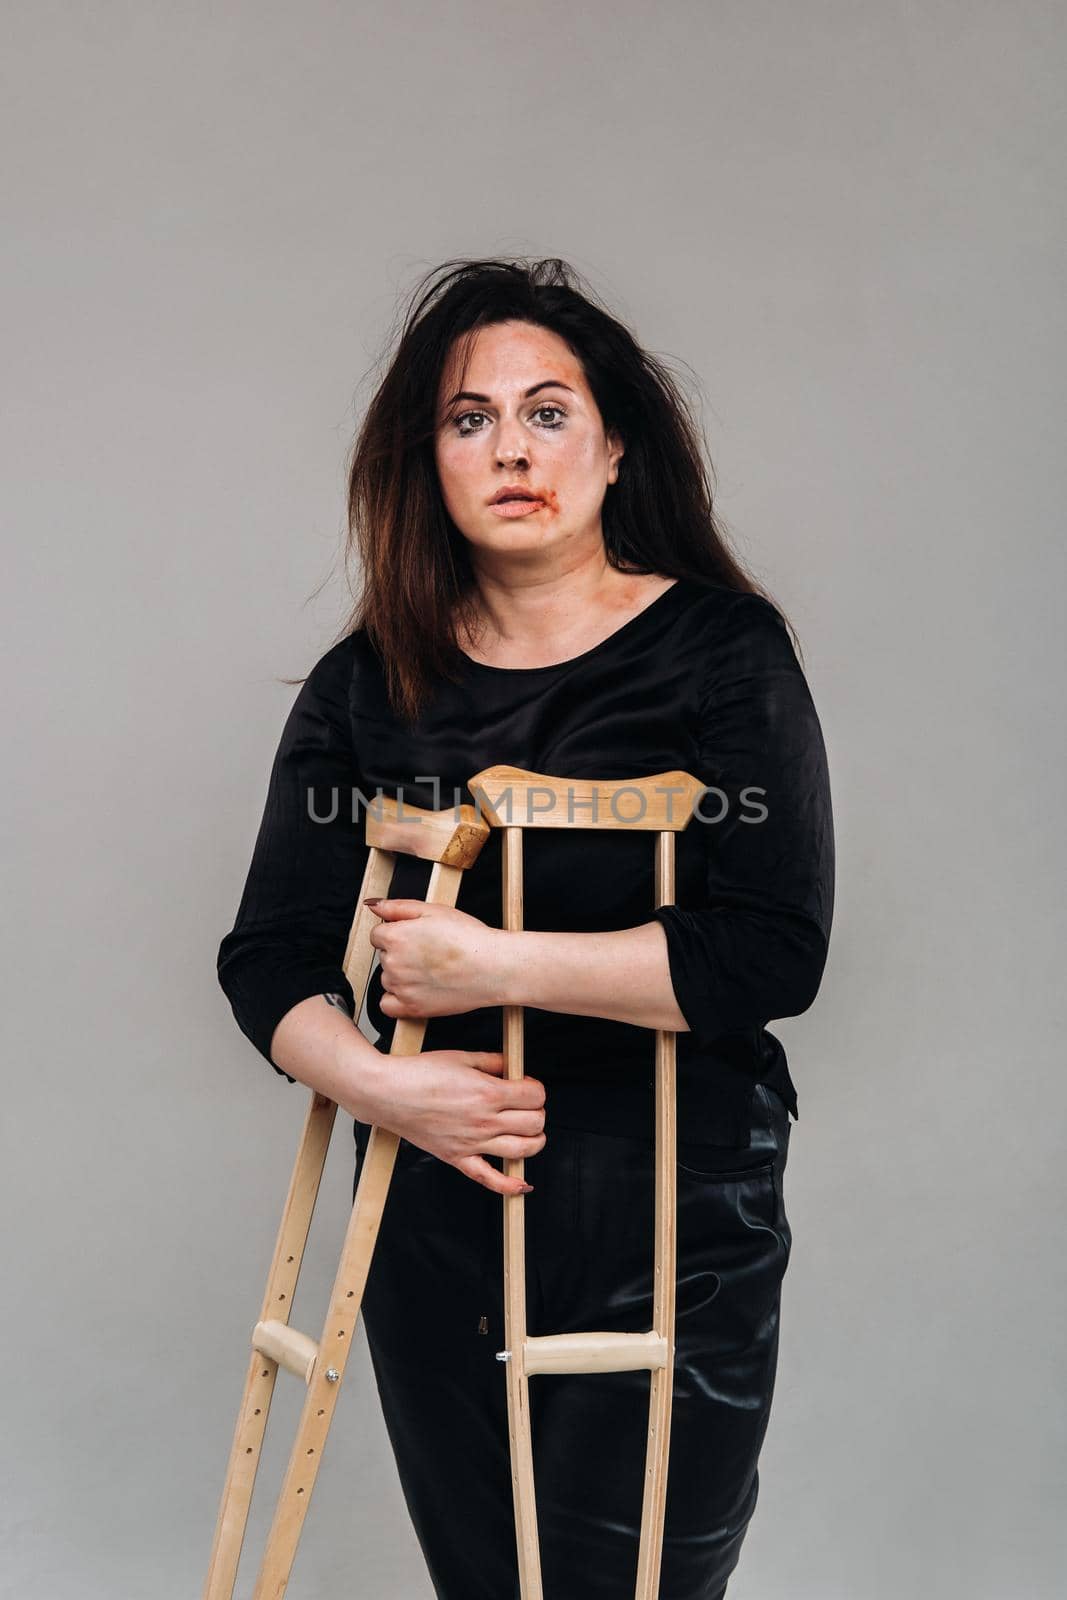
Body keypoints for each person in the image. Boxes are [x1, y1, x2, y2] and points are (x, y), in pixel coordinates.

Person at [216, 256, 835, 1600]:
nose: (512, 449)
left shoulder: (723, 655)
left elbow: (772, 948)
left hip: (673, 1200)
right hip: (436, 1203)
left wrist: (490, 964)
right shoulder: (370, 680)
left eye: (549, 412)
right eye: (469, 418)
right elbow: (268, 954)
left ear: (616, 447)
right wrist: (389, 1086)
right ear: (424, 459)